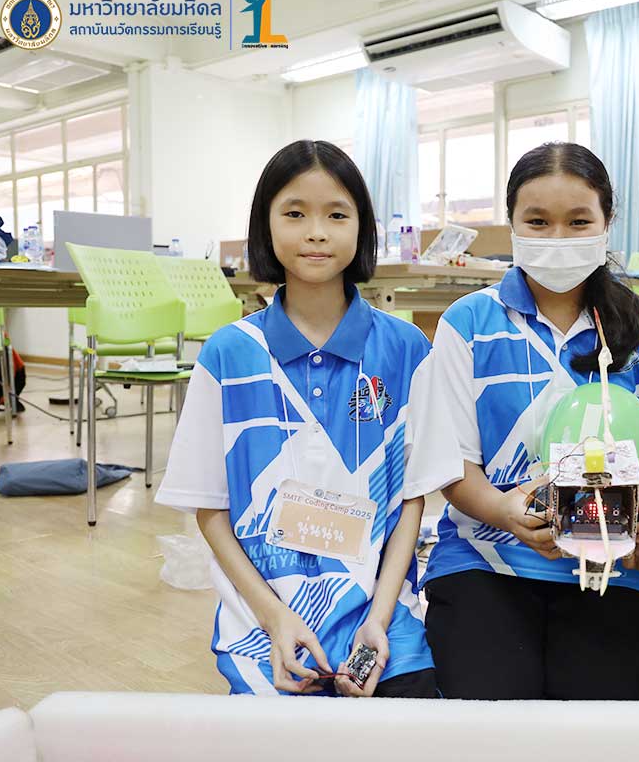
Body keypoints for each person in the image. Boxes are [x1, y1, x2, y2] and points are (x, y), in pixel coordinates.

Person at [409, 142, 639, 699]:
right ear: (511, 224)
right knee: (493, 717)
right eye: (537, 222)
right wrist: (505, 512)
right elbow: (454, 467)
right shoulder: (469, 323)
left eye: (578, 221)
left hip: (611, 565)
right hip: (483, 560)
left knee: (596, 721)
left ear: (607, 223)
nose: (557, 239)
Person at [155, 140, 435, 697]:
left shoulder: (406, 348)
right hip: (263, 624)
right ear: (265, 225)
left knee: (413, 725)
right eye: (295, 213)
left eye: (337, 215)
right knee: (284, 737)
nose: (316, 232)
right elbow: (210, 510)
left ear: (364, 228)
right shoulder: (228, 353)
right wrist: (274, 617)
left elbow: (412, 499)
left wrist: (378, 620)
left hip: (385, 619)